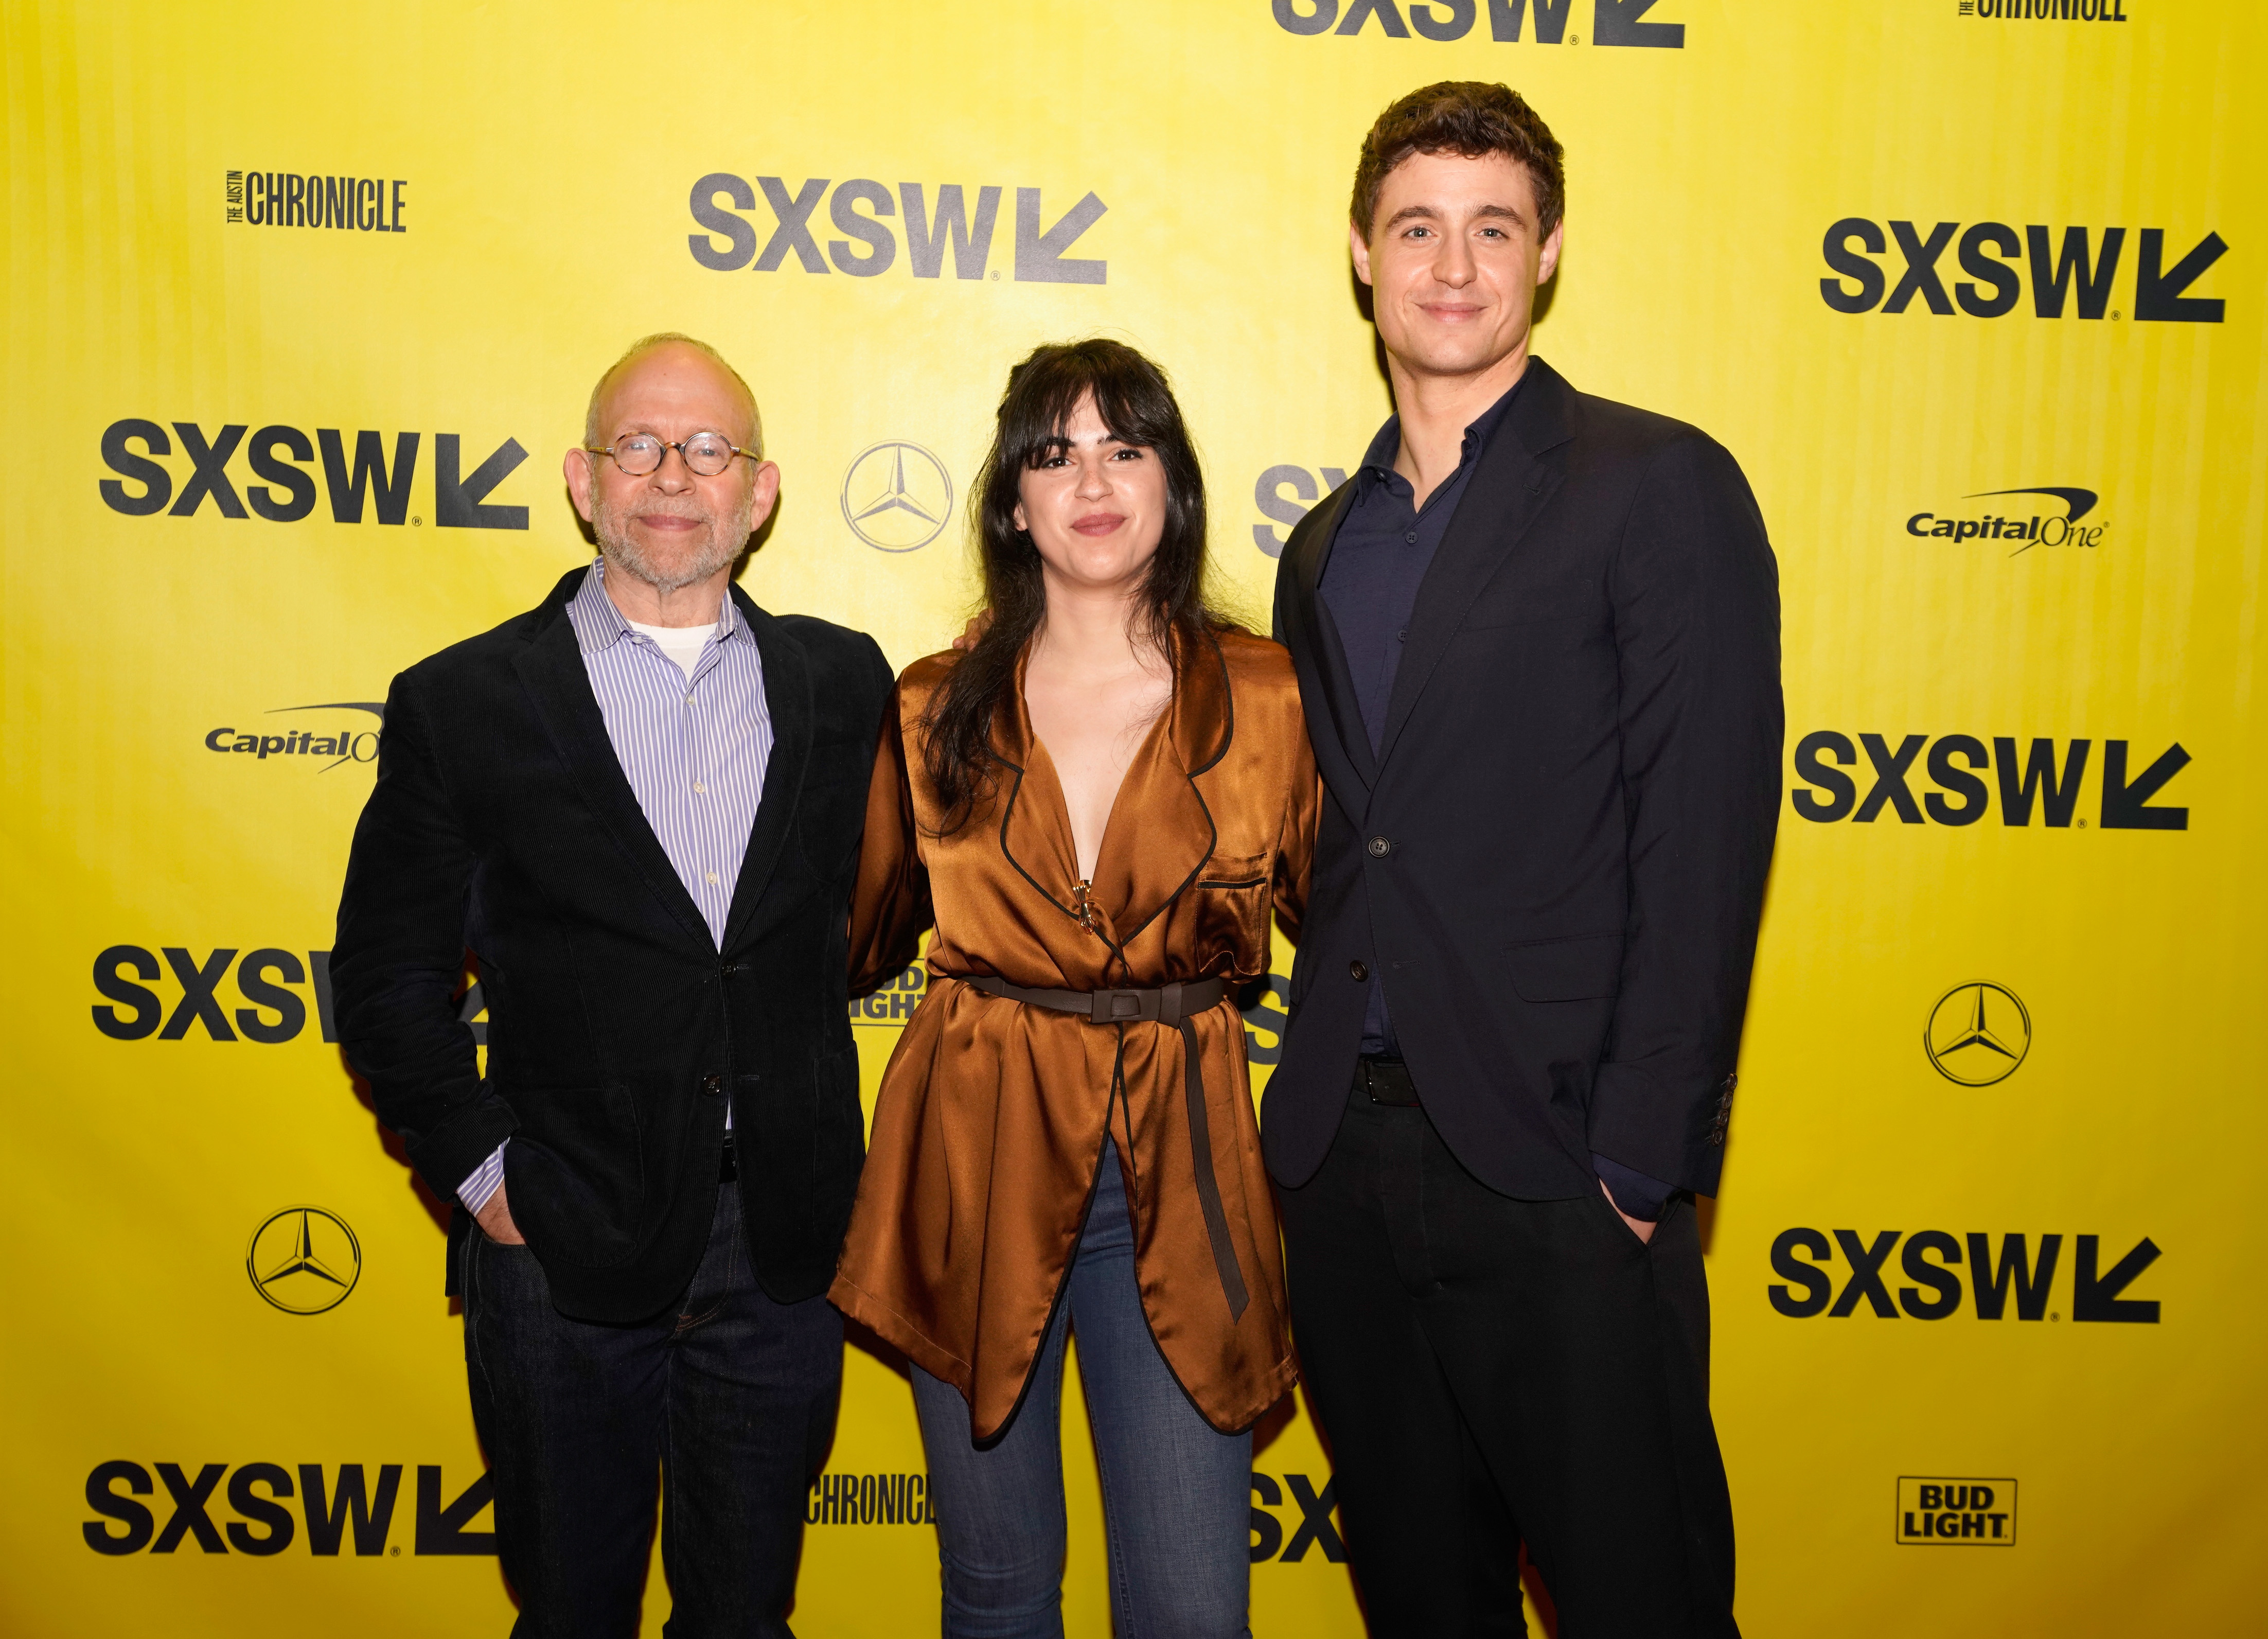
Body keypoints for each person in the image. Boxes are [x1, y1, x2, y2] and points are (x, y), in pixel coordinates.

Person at [1265, 84, 1783, 1637]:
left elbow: (1703, 833)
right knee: (1425, 1604)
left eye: (1494, 229)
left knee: (1642, 1600)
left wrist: (1638, 1159)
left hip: (1562, 1169)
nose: (1453, 265)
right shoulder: (1323, 544)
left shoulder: (1656, 483)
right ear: (1362, 254)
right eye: (1417, 228)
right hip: (1346, 1168)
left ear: (1547, 254)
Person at [331, 333, 893, 1638]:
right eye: (638, 445)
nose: (672, 476)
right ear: (584, 480)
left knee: (746, 1618)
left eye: (709, 449)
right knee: (571, 1614)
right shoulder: (462, 700)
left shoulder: (844, 681)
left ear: (758, 494)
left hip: (783, 1253)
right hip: (560, 1248)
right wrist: (486, 1178)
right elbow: (385, 978)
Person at [832, 338, 1317, 1639]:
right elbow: (845, 933)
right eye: (1053, 453)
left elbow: (1372, 927)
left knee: (1190, 1611)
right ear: (1011, 499)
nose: (1091, 480)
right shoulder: (932, 705)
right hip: (971, 1159)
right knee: (995, 1596)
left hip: (1182, 1165)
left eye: (1125, 445)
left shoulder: (1269, 696)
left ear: (1174, 480)